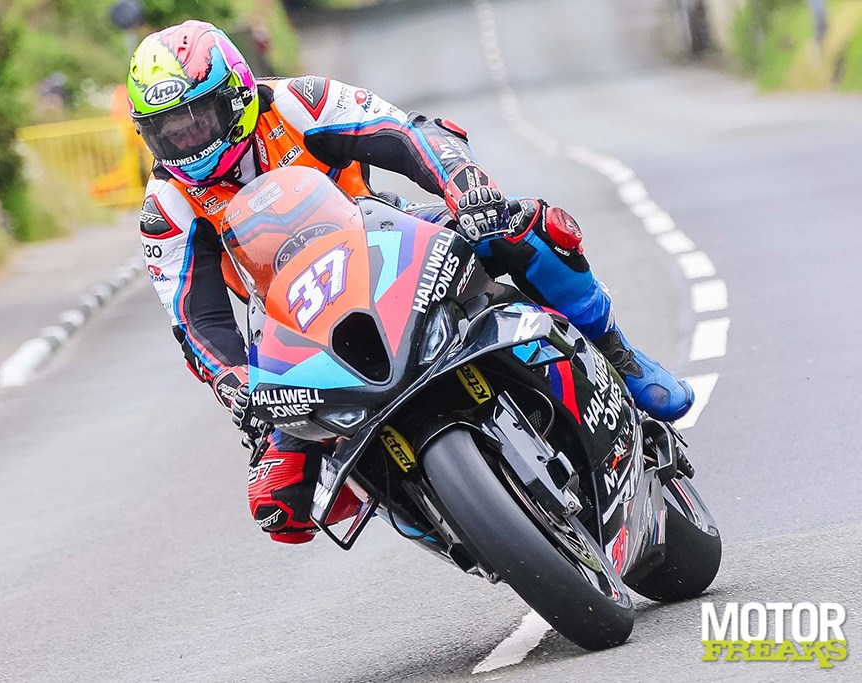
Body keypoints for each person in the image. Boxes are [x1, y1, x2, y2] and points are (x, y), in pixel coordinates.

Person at [127, 21, 694, 544]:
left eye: (198, 119)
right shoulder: (165, 208)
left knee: (524, 228)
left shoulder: (302, 101)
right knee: (279, 503)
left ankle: (617, 353)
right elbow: (195, 319)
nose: (189, 142)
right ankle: (450, 525)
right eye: (168, 133)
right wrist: (235, 383)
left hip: (383, 237)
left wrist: (464, 184)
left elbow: (406, 133)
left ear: (237, 95)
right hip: (289, 319)